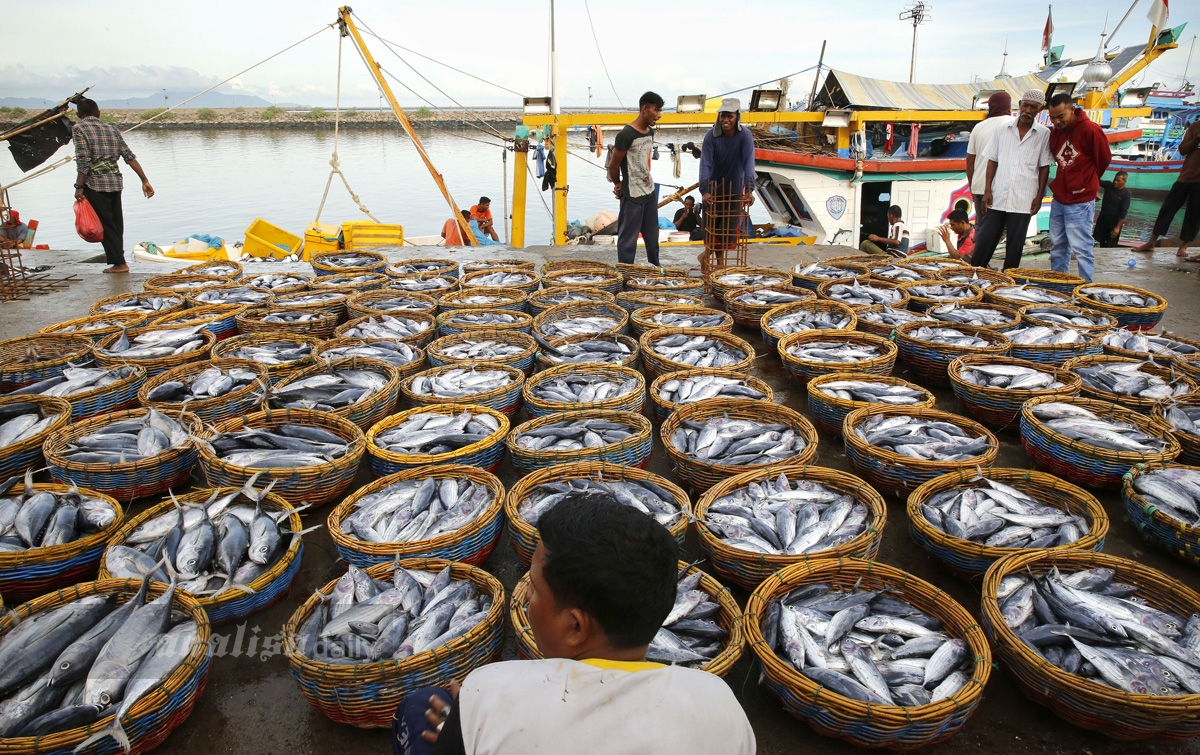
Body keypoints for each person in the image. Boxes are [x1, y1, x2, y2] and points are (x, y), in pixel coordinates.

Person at [392, 497, 756, 755]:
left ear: (575, 627)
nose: (526, 598)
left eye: (533, 588)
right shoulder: (720, 701)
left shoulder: (489, 689)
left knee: (421, 705)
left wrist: (469, 722)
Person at [972, 89, 1053, 270]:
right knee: (987, 237)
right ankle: (975, 271)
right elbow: (992, 161)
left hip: (1024, 197)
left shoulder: (1043, 134)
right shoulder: (1002, 130)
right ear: (1019, 104)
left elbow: (1044, 167)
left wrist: (1039, 196)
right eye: (1025, 105)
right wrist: (987, 190)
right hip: (999, 193)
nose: (1028, 110)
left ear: (1040, 110)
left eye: (1033, 107)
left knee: (1015, 244)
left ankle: (1008, 279)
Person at [71, 97, 154, 273]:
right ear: (98, 113)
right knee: (116, 222)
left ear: (79, 115)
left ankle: (119, 263)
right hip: (115, 182)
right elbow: (129, 156)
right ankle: (119, 260)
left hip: (95, 183)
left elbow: (84, 161)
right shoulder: (111, 129)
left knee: (105, 224)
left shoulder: (79, 129)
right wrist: (144, 180)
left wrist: (79, 186)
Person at [1046, 92, 1112, 283]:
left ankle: (1086, 286)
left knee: (1081, 247)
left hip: (1081, 200)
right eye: (1053, 118)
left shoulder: (1091, 130)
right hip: (1059, 198)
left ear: (1072, 110)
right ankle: (1059, 283)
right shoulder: (1055, 134)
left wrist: (1088, 183)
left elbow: (1104, 159)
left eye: (1061, 116)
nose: (1057, 121)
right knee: (1058, 244)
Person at [608, 91, 664, 266]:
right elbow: (613, 165)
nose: (659, 115)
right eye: (657, 110)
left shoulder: (650, 132)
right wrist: (618, 183)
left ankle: (655, 269)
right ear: (645, 109)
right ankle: (625, 272)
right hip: (631, 194)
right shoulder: (626, 134)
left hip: (648, 191)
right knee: (628, 240)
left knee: (652, 235)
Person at [699, 98, 756, 265]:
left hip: (735, 188)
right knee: (713, 229)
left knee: (729, 230)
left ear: (737, 116)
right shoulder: (711, 136)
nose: (725, 120)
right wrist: (705, 190)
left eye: (729, 116)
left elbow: (749, 164)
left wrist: (749, 189)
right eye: (723, 115)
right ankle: (720, 263)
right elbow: (705, 164)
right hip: (714, 188)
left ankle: (705, 257)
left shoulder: (745, 135)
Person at [1133, 118, 1200, 259]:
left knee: (1194, 215)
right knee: (1167, 209)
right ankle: (1151, 242)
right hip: (1185, 177)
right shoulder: (1195, 127)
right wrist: (1197, 139)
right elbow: (1182, 150)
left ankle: (1184, 246)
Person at [966, 90, 1013, 226]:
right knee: (1002, 230)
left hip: (980, 188)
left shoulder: (978, 127)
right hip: (1004, 189)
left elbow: (970, 162)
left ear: (991, 106)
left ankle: (979, 247)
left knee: (982, 229)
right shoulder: (1016, 124)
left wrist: (973, 187)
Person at [1093, 171, 1131, 248]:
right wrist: (1095, 191)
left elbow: (1123, 212)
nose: (1115, 182)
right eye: (1115, 179)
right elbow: (1095, 180)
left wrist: (1117, 227)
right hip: (1103, 219)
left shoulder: (1126, 194)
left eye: (1118, 181)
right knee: (1099, 241)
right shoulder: (1109, 185)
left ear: (1124, 181)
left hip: (1114, 222)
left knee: (1111, 245)